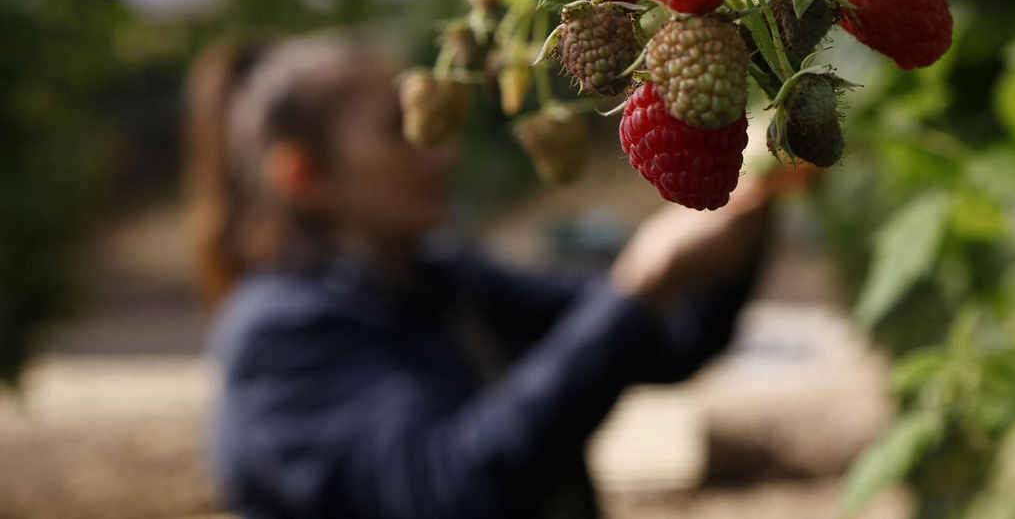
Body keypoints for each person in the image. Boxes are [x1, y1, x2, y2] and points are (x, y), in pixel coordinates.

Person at [185, 33, 772, 519]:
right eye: (404, 131)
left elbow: (666, 341)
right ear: (302, 173)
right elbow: (451, 490)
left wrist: (752, 191)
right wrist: (641, 284)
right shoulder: (282, 340)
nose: (444, 155)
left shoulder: (446, 285)